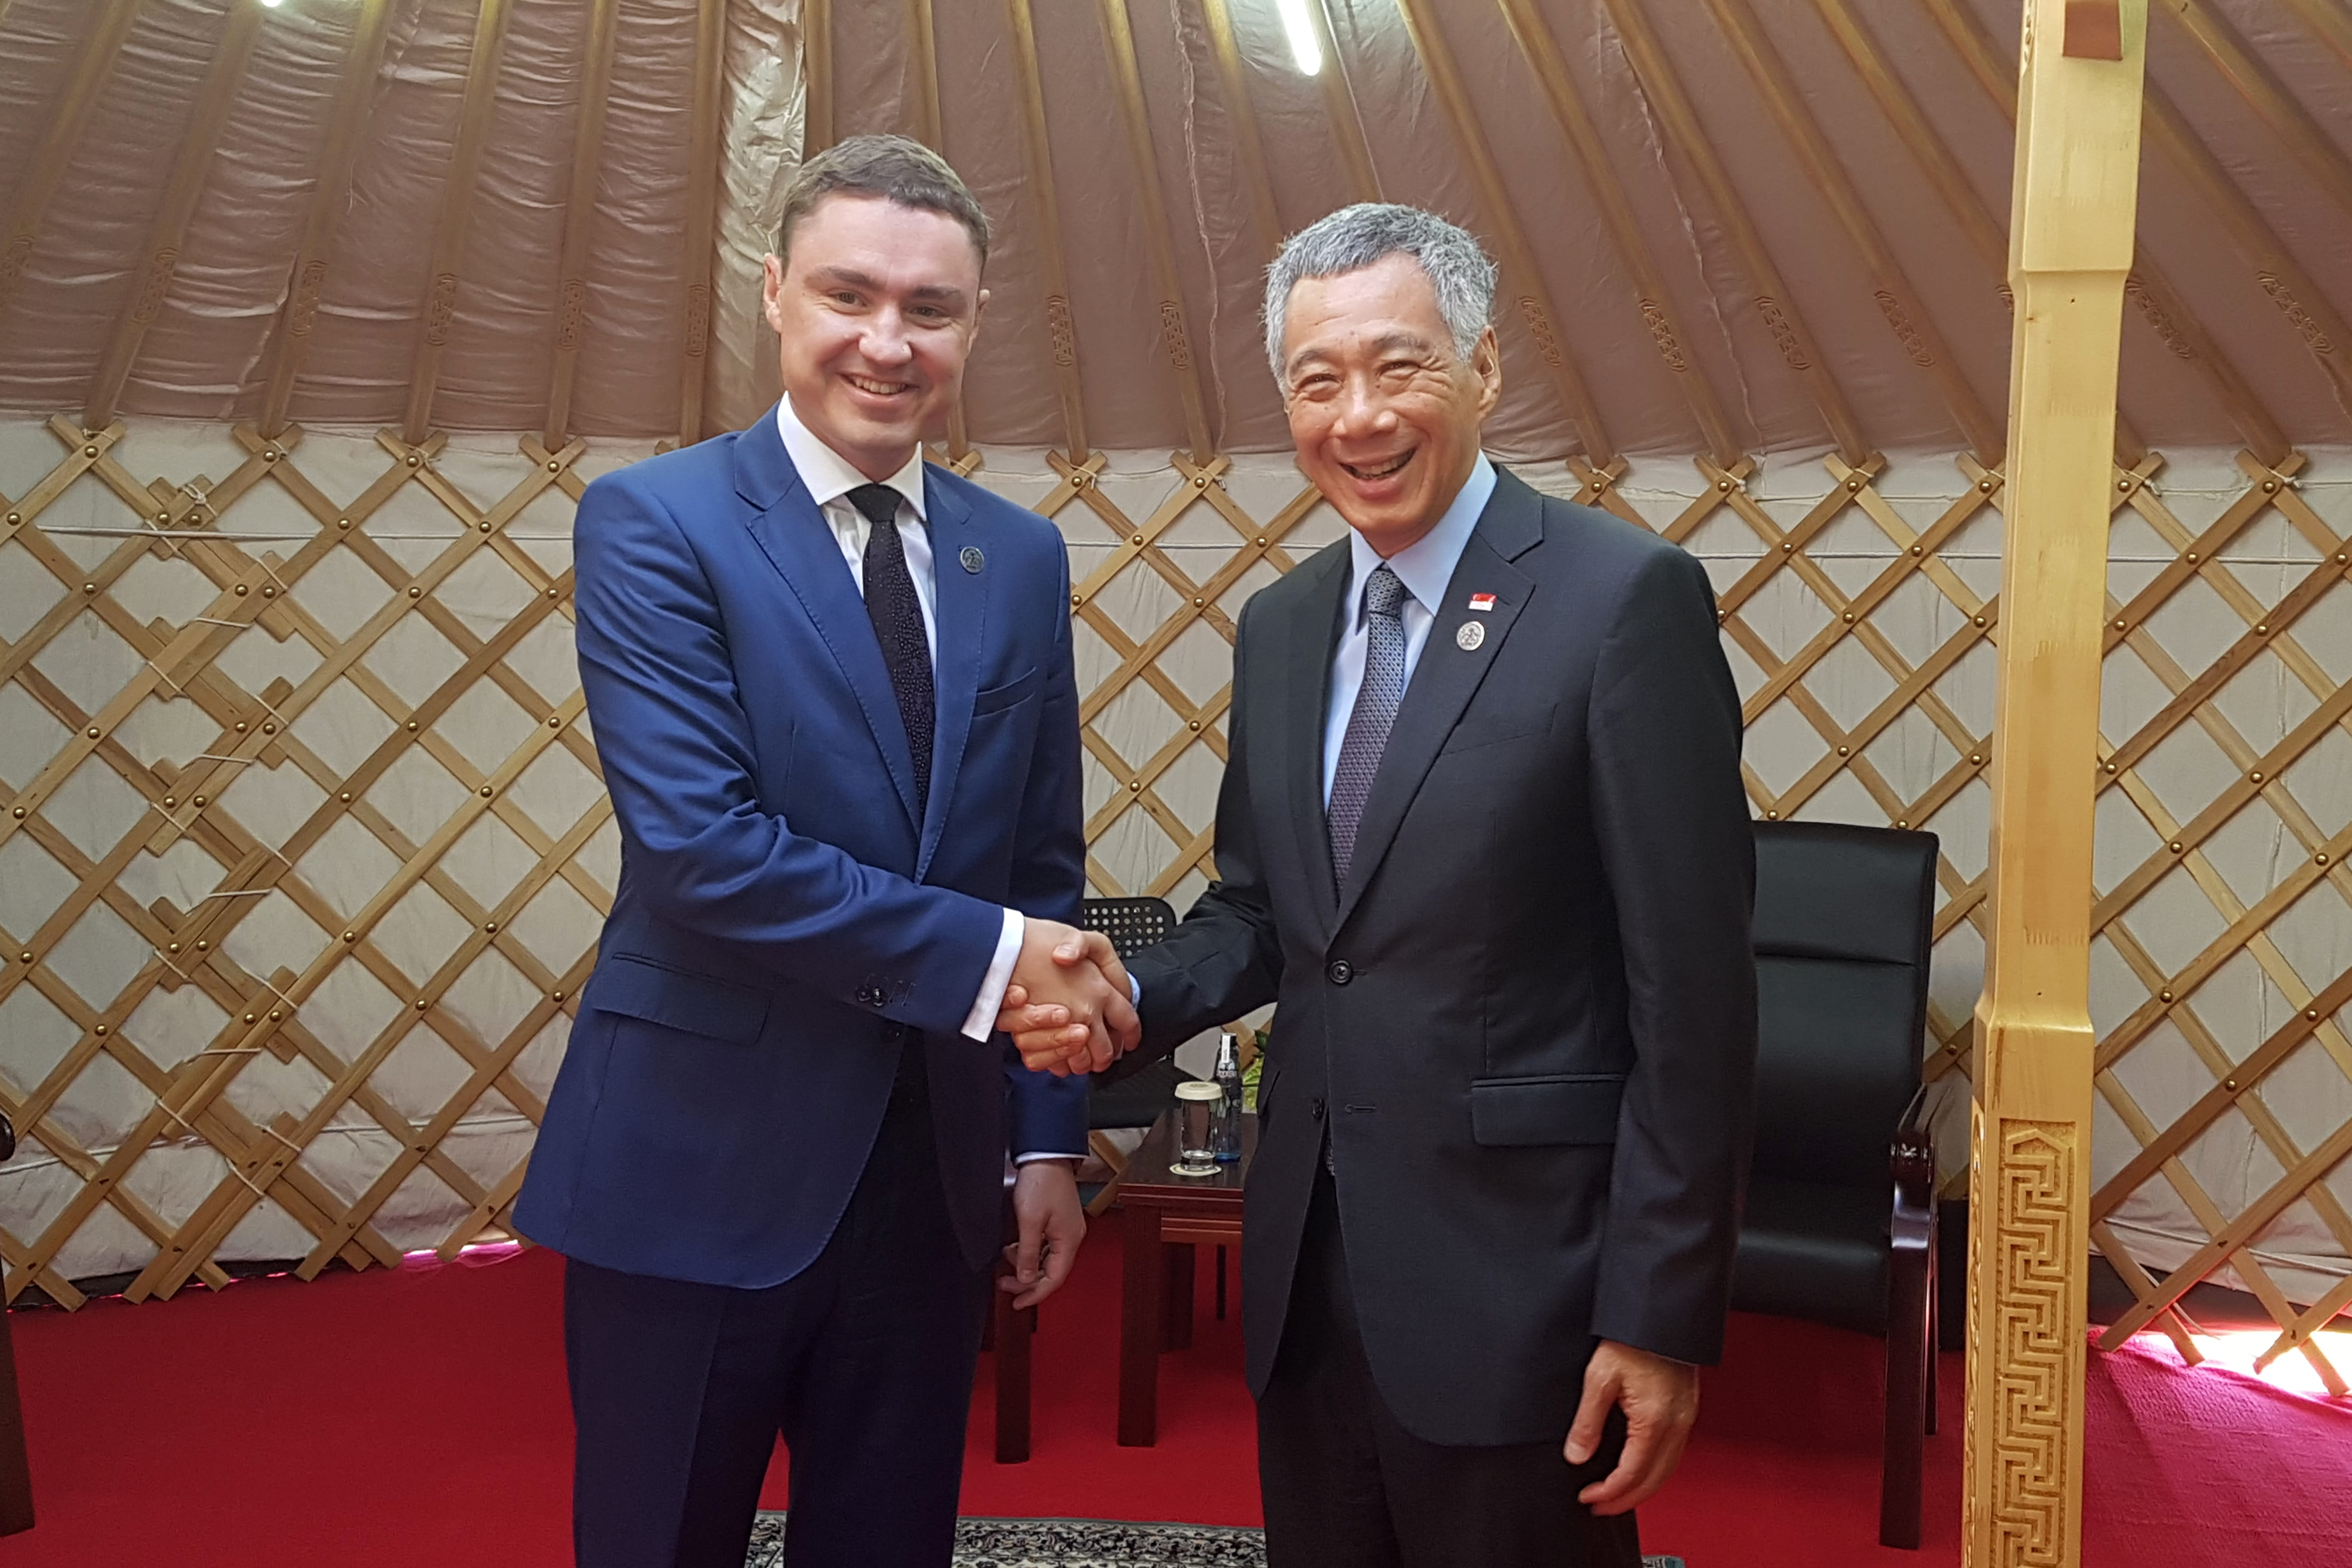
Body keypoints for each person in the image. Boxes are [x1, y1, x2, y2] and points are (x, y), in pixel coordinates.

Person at [1005, 204, 1758, 1568]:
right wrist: (1120, 991)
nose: (1358, 416)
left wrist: (1657, 1311)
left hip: (1524, 1278)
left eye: (1397, 366)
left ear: (1484, 369)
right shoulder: (1285, 624)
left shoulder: (1620, 600)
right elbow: (1265, 912)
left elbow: (1694, 995)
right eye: (1316, 380)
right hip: (1308, 1261)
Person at [514, 135, 1134, 1568]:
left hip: (929, 1177)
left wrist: (1045, 1137)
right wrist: (1000, 959)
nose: (887, 341)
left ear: (972, 326)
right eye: (850, 294)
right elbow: (702, 851)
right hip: (694, 1164)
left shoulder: (1017, 556)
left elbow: (1038, 857)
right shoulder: (658, 521)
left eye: (931, 309)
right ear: (776, 293)